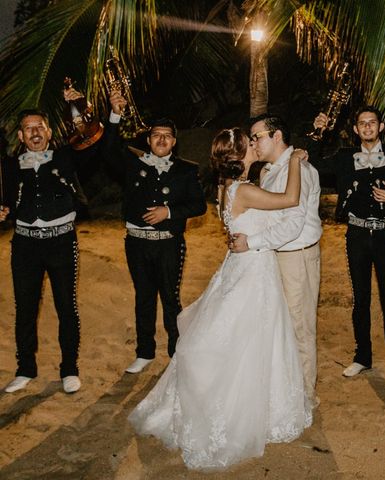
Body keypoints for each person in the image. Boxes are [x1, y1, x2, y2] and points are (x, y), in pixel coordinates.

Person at [129, 128, 312, 470]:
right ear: (241, 154)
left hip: (245, 266)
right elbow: (289, 200)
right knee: (246, 339)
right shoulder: (243, 189)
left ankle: (260, 405)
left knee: (249, 338)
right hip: (252, 271)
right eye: (250, 142)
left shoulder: (230, 188)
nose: (256, 144)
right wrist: (297, 163)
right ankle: (238, 409)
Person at [307, 106, 385, 385]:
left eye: (372, 123)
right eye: (362, 123)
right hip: (356, 235)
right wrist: (318, 132)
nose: (368, 127)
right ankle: (362, 357)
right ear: (356, 130)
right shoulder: (345, 157)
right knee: (360, 299)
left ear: (381, 127)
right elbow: (314, 165)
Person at [2, 87, 96, 394]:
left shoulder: (65, 157)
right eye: (28, 129)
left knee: (66, 306)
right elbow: (4, 201)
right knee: (25, 308)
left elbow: (89, 135)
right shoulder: (10, 166)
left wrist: (78, 105)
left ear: (48, 131)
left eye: (39, 127)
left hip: (61, 243)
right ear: (20, 135)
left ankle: (70, 369)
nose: (34, 133)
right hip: (25, 245)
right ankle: (25, 369)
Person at [105, 91, 207, 374]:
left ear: (174, 141)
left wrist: (169, 212)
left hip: (168, 244)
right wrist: (114, 115)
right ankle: (144, 352)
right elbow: (108, 149)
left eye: (167, 136)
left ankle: (176, 352)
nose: (161, 140)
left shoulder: (186, 170)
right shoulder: (132, 163)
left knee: (171, 299)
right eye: (156, 135)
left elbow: (199, 205)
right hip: (136, 243)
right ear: (148, 140)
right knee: (143, 297)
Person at [229, 114, 322, 406]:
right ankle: (284, 392)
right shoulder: (269, 171)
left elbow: (292, 225)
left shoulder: (301, 170)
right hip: (271, 258)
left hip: (295, 258)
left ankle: (304, 398)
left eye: (257, 136)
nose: (254, 142)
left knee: (299, 328)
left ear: (277, 136)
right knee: (278, 328)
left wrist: (252, 243)